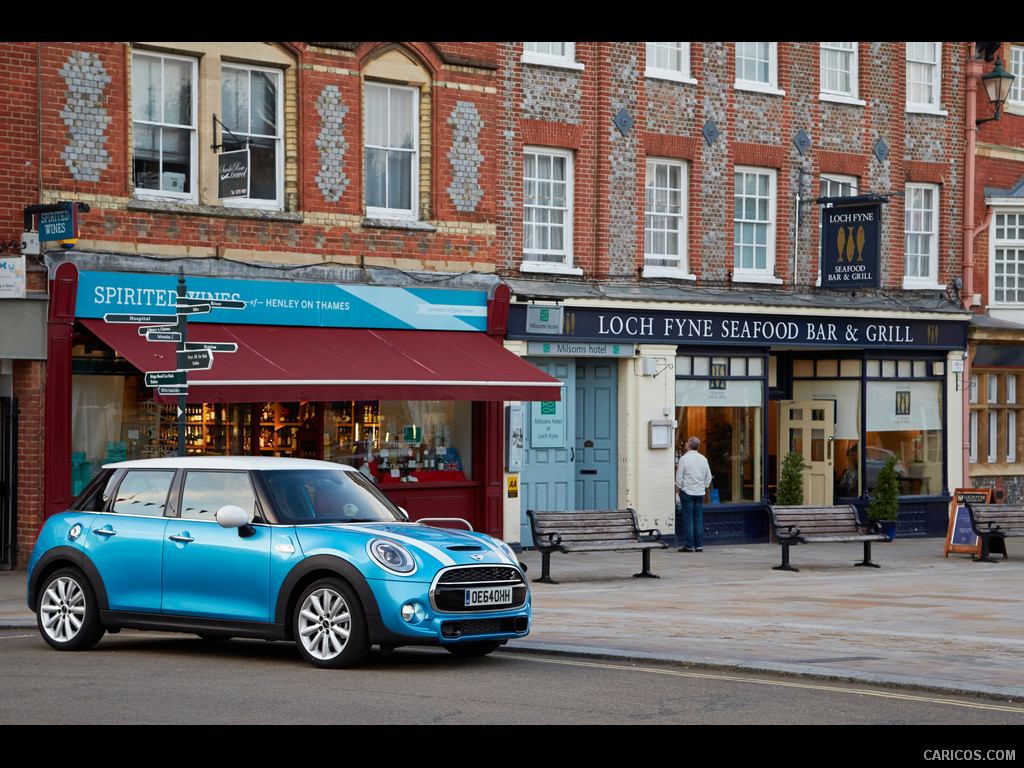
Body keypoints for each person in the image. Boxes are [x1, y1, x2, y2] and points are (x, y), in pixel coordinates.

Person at [675, 436, 713, 552]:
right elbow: (709, 476)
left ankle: (689, 545)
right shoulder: (703, 459)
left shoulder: (684, 459)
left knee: (688, 519)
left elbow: (679, 477)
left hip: (687, 492)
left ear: (688, 446)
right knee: (698, 519)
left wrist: (679, 488)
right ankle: (699, 545)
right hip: (699, 492)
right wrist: (704, 486)